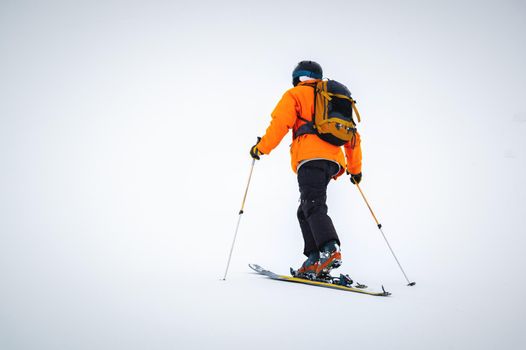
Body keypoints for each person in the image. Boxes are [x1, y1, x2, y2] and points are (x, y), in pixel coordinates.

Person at [250, 60, 363, 278]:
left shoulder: (296, 95)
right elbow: (353, 136)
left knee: (312, 204)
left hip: (310, 158)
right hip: (333, 162)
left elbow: (280, 124)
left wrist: (261, 148)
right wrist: (355, 169)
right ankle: (313, 259)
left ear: (298, 78)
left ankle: (330, 250)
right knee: (305, 209)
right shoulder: (332, 97)